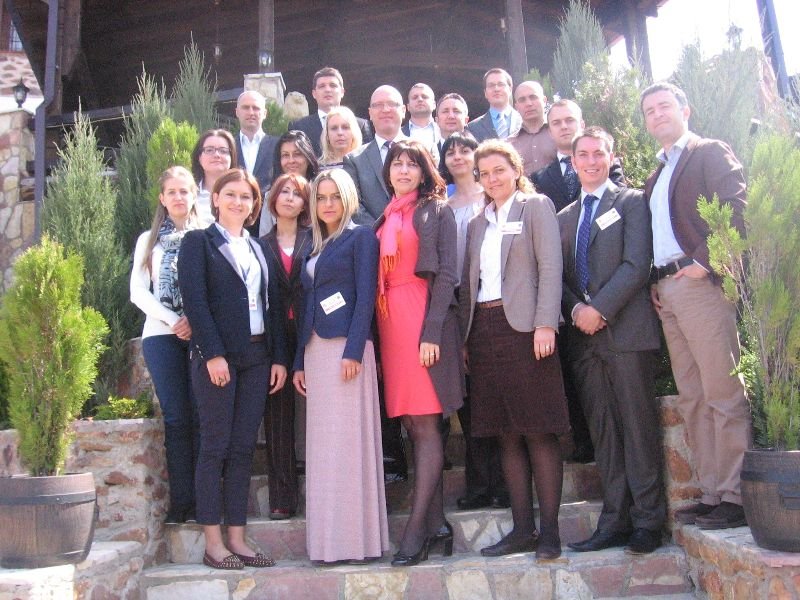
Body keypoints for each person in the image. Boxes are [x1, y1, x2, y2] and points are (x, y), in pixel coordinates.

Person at [641, 82, 750, 530]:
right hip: (668, 289)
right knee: (693, 398)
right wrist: (657, 280)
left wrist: (705, 264)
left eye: (664, 106)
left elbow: (738, 209)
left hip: (700, 285)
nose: (657, 114)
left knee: (722, 393)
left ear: (685, 110)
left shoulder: (708, 152)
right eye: (649, 110)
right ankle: (712, 493)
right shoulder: (656, 175)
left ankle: (737, 495)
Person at [458, 140, 568, 561]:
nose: (492, 179)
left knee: (538, 429)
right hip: (484, 331)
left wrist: (546, 323)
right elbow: (470, 285)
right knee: (506, 434)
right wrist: (466, 339)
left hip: (525, 329)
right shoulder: (477, 223)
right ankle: (522, 530)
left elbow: (550, 267)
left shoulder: (534, 206)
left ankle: (550, 533)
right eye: (484, 173)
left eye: (498, 170)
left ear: (515, 169)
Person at [559, 127, 666, 555]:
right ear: (572, 162)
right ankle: (614, 521)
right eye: (583, 155)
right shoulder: (564, 217)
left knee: (638, 429)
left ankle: (647, 522)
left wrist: (598, 309)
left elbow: (637, 264)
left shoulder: (632, 202)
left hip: (626, 333)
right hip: (584, 343)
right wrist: (575, 311)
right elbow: (558, 277)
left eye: (598, 154)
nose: (591, 161)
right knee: (604, 433)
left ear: (611, 156)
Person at [178, 168, 288, 570]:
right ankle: (213, 543)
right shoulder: (198, 242)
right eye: (231, 194)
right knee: (215, 446)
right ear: (216, 199)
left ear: (254, 204)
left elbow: (273, 305)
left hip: (257, 358)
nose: (238, 202)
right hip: (218, 359)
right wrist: (212, 354)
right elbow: (195, 301)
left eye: (246, 196)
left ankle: (238, 539)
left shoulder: (259, 247)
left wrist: (279, 357)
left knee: (242, 448)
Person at [292, 168, 389, 564]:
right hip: (315, 351)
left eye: (334, 196)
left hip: (346, 350)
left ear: (347, 198)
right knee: (324, 450)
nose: (327, 204)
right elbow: (306, 305)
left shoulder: (361, 237)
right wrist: (298, 360)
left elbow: (366, 295)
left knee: (349, 446)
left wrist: (354, 350)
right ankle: (327, 544)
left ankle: (355, 542)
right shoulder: (313, 244)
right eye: (321, 197)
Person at [374, 139, 463, 566]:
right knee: (412, 424)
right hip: (391, 322)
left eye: (412, 164)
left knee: (426, 425)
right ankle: (437, 524)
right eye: (397, 163)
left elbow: (446, 274)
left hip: (422, 318)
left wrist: (432, 333)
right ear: (388, 171)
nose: (404, 170)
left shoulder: (437, 210)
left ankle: (415, 533)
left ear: (425, 172)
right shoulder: (386, 214)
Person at [440, 132, 509, 511]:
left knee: (498, 396)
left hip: (495, 301)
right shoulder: (444, 207)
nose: (457, 156)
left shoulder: (493, 198)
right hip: (458, 306)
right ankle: (479, 483)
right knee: (470, 403)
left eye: (465, 149)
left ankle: (505, 484)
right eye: (450, 151)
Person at [130, 166, 200, 525]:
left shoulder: (205, 234)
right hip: (161, 337)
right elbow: (138, 291)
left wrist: (195, 321)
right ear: (162, 198)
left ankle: (205, 502)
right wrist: (175, 320)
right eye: (171, 191)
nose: (178, 197)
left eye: (184, 191)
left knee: (202, 417)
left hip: (201, 337)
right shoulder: (149, 239)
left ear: (194, 195)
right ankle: (182, 503)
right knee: (176, 419)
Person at [259, 173, 313, 521]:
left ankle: (325, 494)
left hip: (314, 333)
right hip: (275, 336)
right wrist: (278, 354)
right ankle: (282, 498)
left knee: (320, 415)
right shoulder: (259, 245)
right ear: (273, 199)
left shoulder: (317, 239)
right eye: (284, 192)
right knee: (278, 417)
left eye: (297, 193)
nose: (290, 198)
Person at [533, 99, 626, 213]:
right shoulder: (538, 179)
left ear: (582, 125)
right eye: (556, 123)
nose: (564, 126)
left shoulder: (607, 165)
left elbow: (619, 204)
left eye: (570, 120)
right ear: (550, 131)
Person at [343, 84, 408, 225]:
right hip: (372, 235)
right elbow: (354, 205)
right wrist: (380, 231)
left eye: (392, 104)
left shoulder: (422, 151)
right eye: (378, 105)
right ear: (370, 113)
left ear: (403, 110)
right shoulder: (354, 160)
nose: (385, 109)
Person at [288, 66, 372, 156]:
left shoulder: (361, 125)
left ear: (342, 92)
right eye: (322, 86)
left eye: (333, 85)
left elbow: (369, 159)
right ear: (314, 94)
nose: (327, 90)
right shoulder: (299, 127)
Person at [257, 130, 319, 236]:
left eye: (297, 154)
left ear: (308, 157)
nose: (291, 161)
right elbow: (264, 237)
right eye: (285, 155)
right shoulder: (271, 196)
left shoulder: (320, 194)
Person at [234, 90, 278, 197]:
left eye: (256, 108)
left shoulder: (278, 145)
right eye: (245, 107)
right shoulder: (227, 145)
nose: (251, 112)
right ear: (237, 112)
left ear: (265, 113)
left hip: (268, 205)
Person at [508, 81, 556, 177]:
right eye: (522, 100)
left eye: (533, 97)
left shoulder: (559, 134)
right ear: (516, 107)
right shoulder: (510, 144)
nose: (528, 103)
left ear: (544, 100)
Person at [191, 129, 238, 226]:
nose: (216, 155)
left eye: (223, 151)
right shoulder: (189, 194)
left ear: (231, 157)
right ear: (199, 158)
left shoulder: (241, 194)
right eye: (209, 150)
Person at [466, 68, 521, 143]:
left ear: (510, 89)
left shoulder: (523, 120)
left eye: (501, 84)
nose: (496, 89)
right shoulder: (472, 128)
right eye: (491, 85)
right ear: (485, 93)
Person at [402, 83, 441, 163]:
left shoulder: (443, 131)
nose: (420, 99)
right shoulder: (398, 134)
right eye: (415, 97)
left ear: (434, 105)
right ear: (408, 107)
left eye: (424, 97)